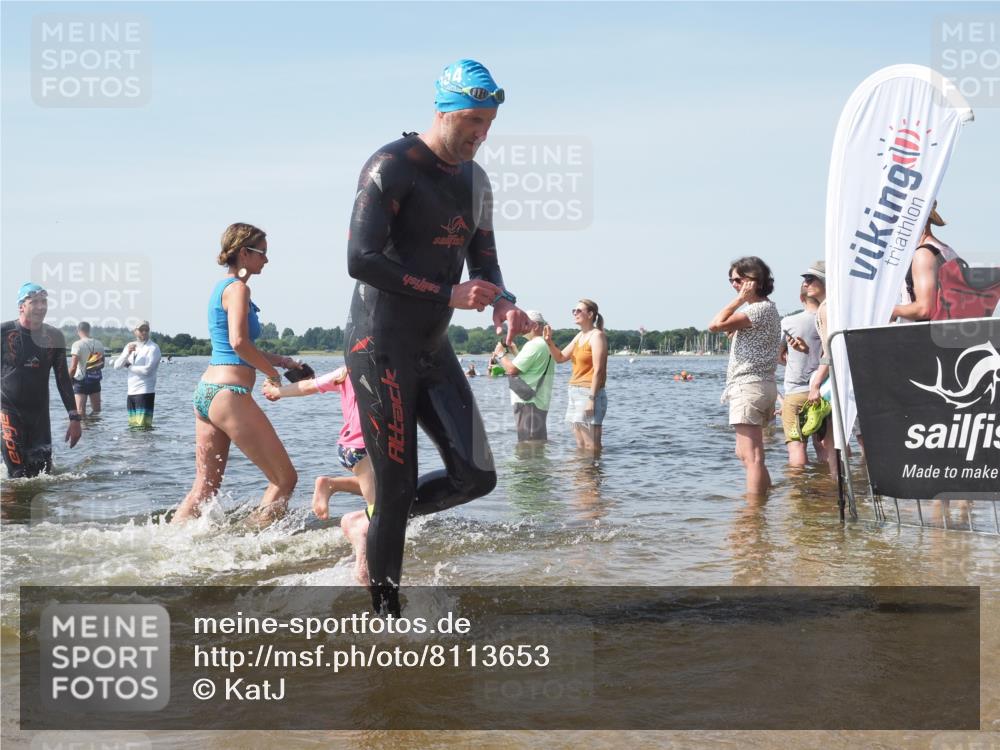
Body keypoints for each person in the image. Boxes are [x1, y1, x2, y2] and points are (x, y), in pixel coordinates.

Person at [344, 58, 531, 615]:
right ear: (444, 111)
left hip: (431, 347)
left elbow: (485, 263)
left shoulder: (476, 182)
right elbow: (360, 259)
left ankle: (369, 523)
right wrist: (447, 294)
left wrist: (502, 301)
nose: (481, 134)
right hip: (378, 345)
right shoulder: (391, 167)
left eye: (489, 124)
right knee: (396, 485)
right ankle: (384, 618)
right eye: (473, 121)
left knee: (476, 476)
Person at [172, 223, 300, 526]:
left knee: (204, 489)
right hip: (229, 395)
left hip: (207, 393)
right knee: (285, 480)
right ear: (244, 253)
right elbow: (239, 343)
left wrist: (283, 361)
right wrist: (272, 374)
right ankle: (250, 541)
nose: (266, 259)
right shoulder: (240, 289)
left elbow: (236, 347)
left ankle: (166, 542)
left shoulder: (222, 288)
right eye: (261, 253)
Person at [263, 366, 372, 584]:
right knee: (382, 508)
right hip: (364, 448)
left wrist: (277, 391)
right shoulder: (389, 371)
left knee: (392, 490)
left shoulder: (347, 370)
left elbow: (308, 386)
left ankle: (331, 484)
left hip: (350, 448)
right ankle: (360, 549)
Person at [709, 257, 781, 497]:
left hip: (750, 385)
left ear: (755, 281)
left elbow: (714, 325)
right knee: (746, 454)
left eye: (739, 279)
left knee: (752, 456)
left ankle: (753, 510)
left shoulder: (757, 309)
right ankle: (765, 500)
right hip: (760, 385)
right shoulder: (766, 309)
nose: (734, 284)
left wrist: (739, 300)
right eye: (731, 280)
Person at [1, 283, 82, 478]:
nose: (41, 307)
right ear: (21, 306)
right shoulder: (4, 333)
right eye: (34, 302)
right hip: (9, 412)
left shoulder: (54, 336)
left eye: (44, 302)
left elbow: (63, 379)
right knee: (17, 477)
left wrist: (74, 417)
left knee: (42, 476)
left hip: (40, 418)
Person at [542, 298, 609, 454]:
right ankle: (581, 470)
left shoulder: (597, 336)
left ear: (590, 314)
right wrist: (549, 342)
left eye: (579, 310)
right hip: (574, 392)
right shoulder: (579, 336)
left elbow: (598, 370)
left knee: (591, 447)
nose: (575, 313)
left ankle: (594, 469)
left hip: (589, 393)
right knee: (580, 445)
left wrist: (591, 399)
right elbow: (560, 358)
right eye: (574, 310)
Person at [493, 310, 556, 442]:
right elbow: (529, 368)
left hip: (528, 403)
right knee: (537, 443)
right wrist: (515, 351)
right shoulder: (545, 344)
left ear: (535, 326)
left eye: (524, 323)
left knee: (527, 444)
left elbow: (512, 370)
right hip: (538, 402)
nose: (520, 327)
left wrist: (500, 354)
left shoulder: (534, 345)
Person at [779, 287, 824, 467]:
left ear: (801, 298)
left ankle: (798, 484)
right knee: (825, 446)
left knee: (797, 446)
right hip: (825, 391)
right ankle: (828, 481)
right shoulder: (831, 319)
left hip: (796, 391)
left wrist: (791, 358)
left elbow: (777, 356)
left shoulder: (789, 322)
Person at [892, 202, 952, 322]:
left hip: (922, 333)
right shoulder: (946, 250)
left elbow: (925, 310)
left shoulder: (923, 255)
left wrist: (893, 311)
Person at [113, 320, 162, 428]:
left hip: (145, 392)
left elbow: (147, 370)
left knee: (143, 428)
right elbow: (117, 366)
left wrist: (129, 366)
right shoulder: (129, 346)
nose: (144, 332)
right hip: (131, 393)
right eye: (141, 330)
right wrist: (127, 353)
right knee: (133, 428)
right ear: (135, 331)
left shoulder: (153, 348)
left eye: (146, 330)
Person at [68, 321, 105, 416]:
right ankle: (94, 425)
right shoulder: (99, 344)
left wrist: (67, 380)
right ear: (89, 330)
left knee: (80, 411)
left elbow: (73, 367)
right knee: (97, 411)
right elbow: (102, 364)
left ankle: (84, 425)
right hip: (95, 379)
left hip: (81, 381)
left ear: (78, 331)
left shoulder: (77, 344)